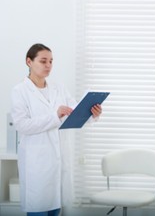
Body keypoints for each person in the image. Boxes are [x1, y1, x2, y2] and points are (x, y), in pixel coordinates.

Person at [11, 43, 102, 216]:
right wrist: (55, 116)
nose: (48, 65)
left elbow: (75, 110)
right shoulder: (20, 91)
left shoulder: (58, 87)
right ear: (29, 62)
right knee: (38, 209)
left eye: (51, 61)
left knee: (55, 209)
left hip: (58, 161)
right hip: (37, 164)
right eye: (43, 61)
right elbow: (22, 125)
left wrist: (92, 113)